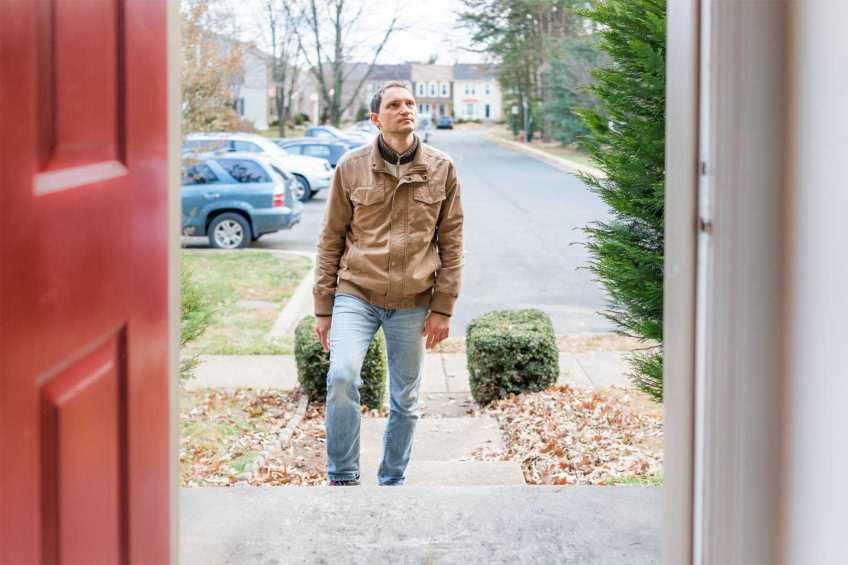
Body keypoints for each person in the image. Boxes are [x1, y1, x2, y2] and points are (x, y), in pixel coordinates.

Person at [313, 81, 464, 486]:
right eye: (395, 105)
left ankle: (391, 480)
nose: (405, 110)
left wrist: (443, 306)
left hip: (414, 299)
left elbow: (452, 242)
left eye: (410, 103)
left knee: (406, 399)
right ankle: (342, 476)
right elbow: (330, 239)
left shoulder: (441, 167)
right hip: (356, 293)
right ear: (376, 118)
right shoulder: (351, 166)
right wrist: (324, 307)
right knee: (342, 376)